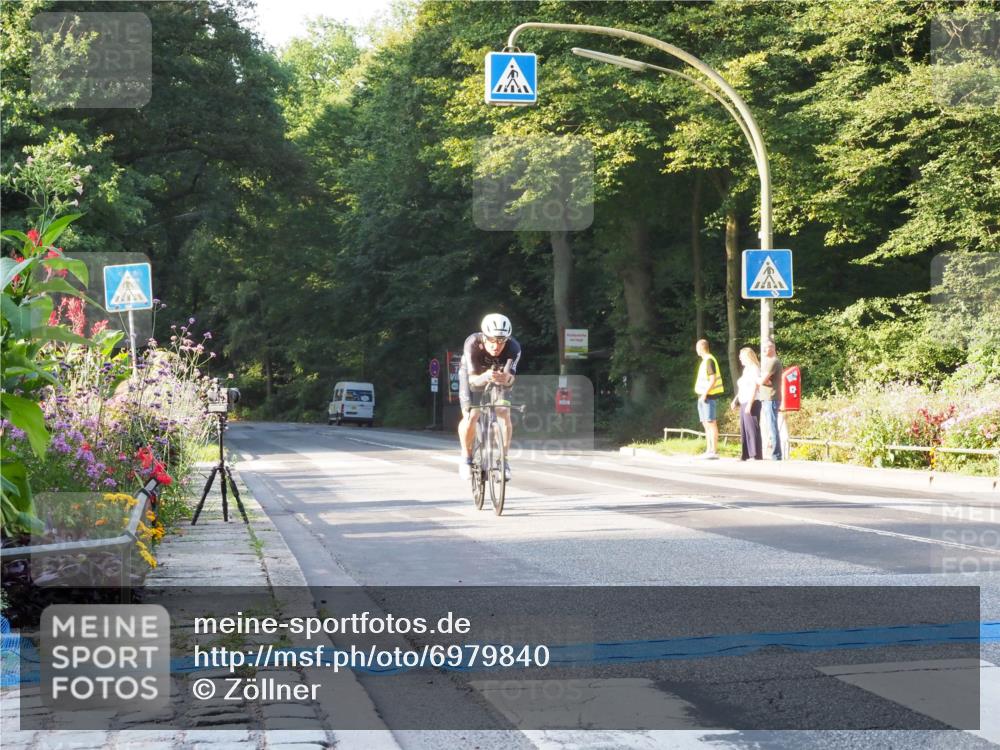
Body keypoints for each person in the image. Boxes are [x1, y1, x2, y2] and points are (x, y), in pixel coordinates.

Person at [457, 314, 521, 481]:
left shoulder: (513, 347)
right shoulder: (472, 343)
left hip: (497, 375)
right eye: (492, 340)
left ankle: (503, 460)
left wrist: (506, 379)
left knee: (504, 412)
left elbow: (511, 378)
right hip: (473, 375)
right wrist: (485, 376)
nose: (497, 345)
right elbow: (472, 381)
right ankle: (466, 457)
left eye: (501, 341)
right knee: (472, 415)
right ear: (484, 337)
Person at [694, 339, 724, 459]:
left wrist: (705, 394)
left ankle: (713, 450)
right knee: (706, 424)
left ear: (701, 348)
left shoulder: (709, 360)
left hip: (708, 396)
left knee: (711, 423)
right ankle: (708, 449)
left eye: (697, 348)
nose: (696, 350)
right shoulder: (705, 361)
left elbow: (713, 379)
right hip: (703, 396)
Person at [731, 347, 762, 461]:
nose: (740, 358)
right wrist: (735, 400)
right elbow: (742, 388)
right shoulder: (746, 370)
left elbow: (755, 387)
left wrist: (750, 403)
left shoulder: (754, 369)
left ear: (747, 357)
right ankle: (746, 454)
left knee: (752, 428)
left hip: (752, 401)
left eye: (741, 356)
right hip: (744, 400)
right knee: (744, 428)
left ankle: (755, 454)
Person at [758, 338, 783, 460]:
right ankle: (774, 453)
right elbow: (765, 381)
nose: (763, 349)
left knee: (772, 425)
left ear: (773, 348)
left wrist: (756, 379)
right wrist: (763, 380)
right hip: (769, 397)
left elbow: (762, 380)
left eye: (766, 347)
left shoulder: (773, 362)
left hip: (771, 397)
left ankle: (776, 454)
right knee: (770, 425)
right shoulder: (771, 362)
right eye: (763, 347)